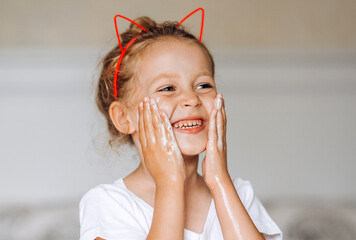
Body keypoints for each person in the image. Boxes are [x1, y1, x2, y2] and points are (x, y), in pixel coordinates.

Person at [79, 9, 283, 240]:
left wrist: (219, 181)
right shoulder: (109, 204)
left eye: (203, 85)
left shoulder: (239, 194)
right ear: (124, 118)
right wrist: (170, 183)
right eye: (168, 88)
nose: (192, 99)